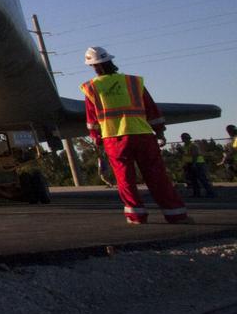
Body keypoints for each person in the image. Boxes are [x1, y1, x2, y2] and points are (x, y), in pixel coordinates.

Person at [81, 46, 190, 225]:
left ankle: (136, 216)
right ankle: (176, 214)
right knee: (157, 176)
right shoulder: (133, 82)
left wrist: (96, 138)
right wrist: (160, 131)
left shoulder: (91, 88)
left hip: (115, 139)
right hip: (142, 135)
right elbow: (152, 108)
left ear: (93, 66)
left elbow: (92, 121)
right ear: (110, 61)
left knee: (125, 179)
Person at [179, 133, 217, 198]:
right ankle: (196, 194)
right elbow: (187, 155)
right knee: (193, 180)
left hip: (197, 163)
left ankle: (211, 193)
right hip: (190, 163)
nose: (183, 139)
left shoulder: (193, 145)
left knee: (202, 179)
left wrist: (194, 164)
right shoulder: (186, 146)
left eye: (183, 138)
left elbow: (195, 155)